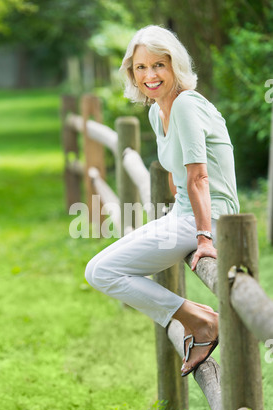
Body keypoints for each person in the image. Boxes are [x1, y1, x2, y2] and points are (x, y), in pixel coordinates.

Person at [85, 25, 239, 377]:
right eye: (141, 67)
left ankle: (201, 322)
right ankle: (199, 319)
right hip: (183, 216)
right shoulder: (158, 110)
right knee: (99, 270)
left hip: (210, 219)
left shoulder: (185, 104)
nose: (149, 75)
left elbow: (198, 176)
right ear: (131, 72)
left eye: (159, 65)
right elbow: (174, 173)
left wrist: (204, 238)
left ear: (175, 66)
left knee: (102, 271)